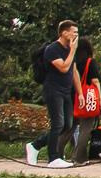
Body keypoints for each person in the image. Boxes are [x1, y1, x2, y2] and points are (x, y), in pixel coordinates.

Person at [27, 21, 81, 169]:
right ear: (64, 32)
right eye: (74, 32)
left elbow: (74, 71)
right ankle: (53, 158)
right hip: (53, 89)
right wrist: (72, 51)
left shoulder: (69, 49)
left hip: (66, 91)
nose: (76, 35)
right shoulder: (52, 49)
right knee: (58, 123)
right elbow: (63, 67)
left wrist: (80, 93)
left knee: (67, 125)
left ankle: (35, 145)